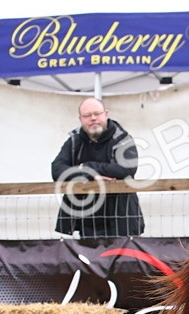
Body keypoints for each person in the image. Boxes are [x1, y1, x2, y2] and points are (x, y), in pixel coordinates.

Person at [51, 97, 145, 238]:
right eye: (87, 115)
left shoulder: (122, 139)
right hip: (87, 219)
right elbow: (57, 170)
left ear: (105, 114)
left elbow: (126, 169)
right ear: (80, 119)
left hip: (121, 217)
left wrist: (87, 167)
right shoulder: (74, 140)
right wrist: (90, 175)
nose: (93, 118)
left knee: (124, 254)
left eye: (97, 114)